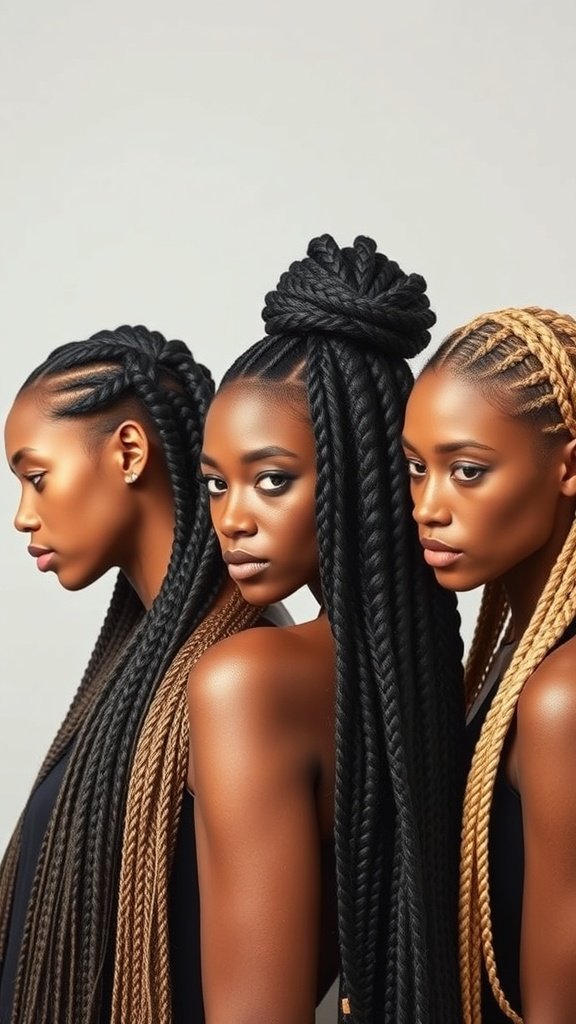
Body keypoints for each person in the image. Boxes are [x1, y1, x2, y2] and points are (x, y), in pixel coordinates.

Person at [195, 233, 464, 1024]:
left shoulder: (247, 680)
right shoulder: (444, 679)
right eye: (215, 484)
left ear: (359, 472)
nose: (232, 519)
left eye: (272, 480)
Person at [0, 324, 286, 1024]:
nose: (23, 517)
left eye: (37, 478)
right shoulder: (139, 660)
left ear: (129, 452)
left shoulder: (234, 673)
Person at [402, 306, 576, 1024]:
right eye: (417, 468)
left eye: (467, 471)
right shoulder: (518, 655)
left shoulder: (563, 693)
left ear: (569, 468)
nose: (428, 506)